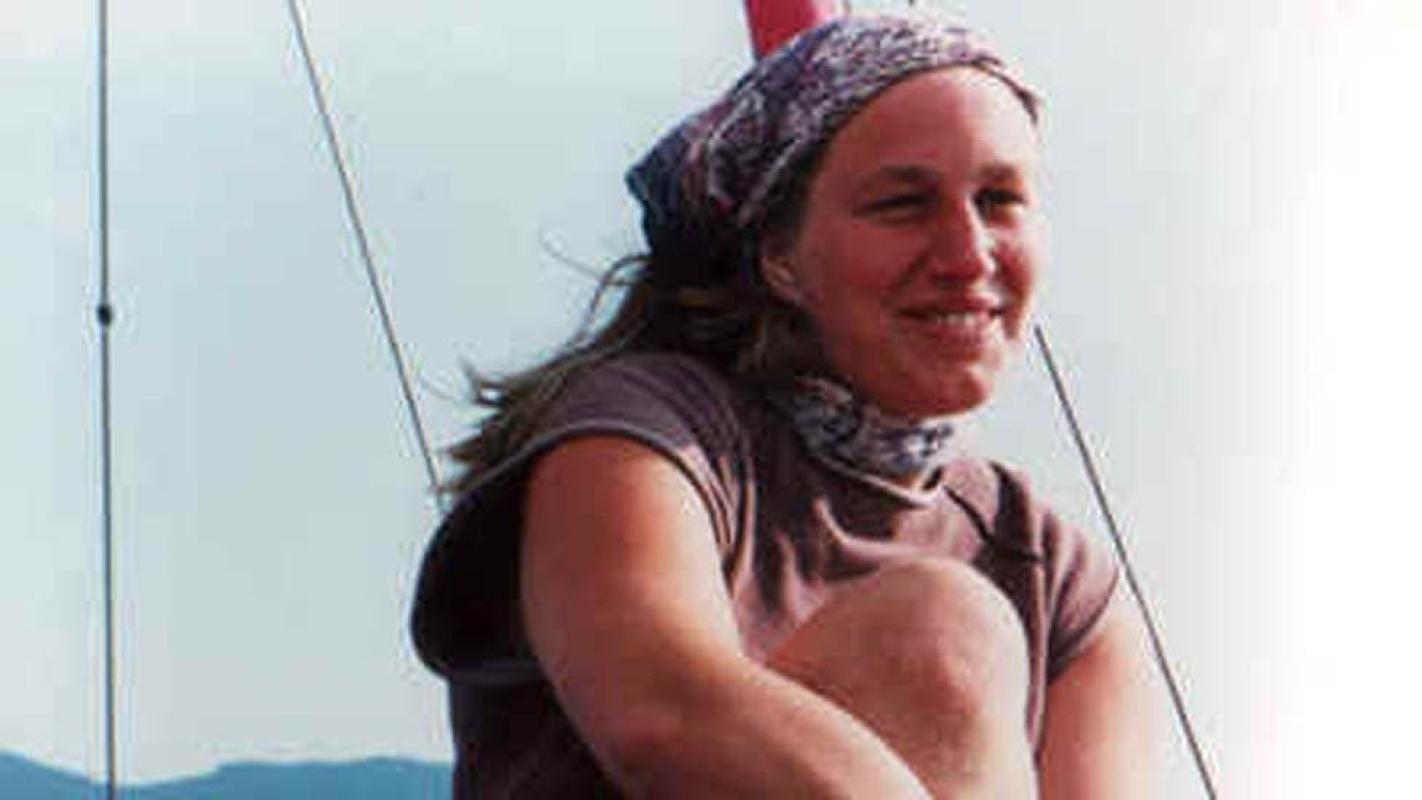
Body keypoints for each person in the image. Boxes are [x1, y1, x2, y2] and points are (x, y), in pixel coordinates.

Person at [412, 12, 1165, 798]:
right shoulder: (640, 440)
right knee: (940, 635)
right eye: (903, 205)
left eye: (1000, 199)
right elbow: (663, 713)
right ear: (779, 256)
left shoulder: (1060, 577)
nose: (968, 255)